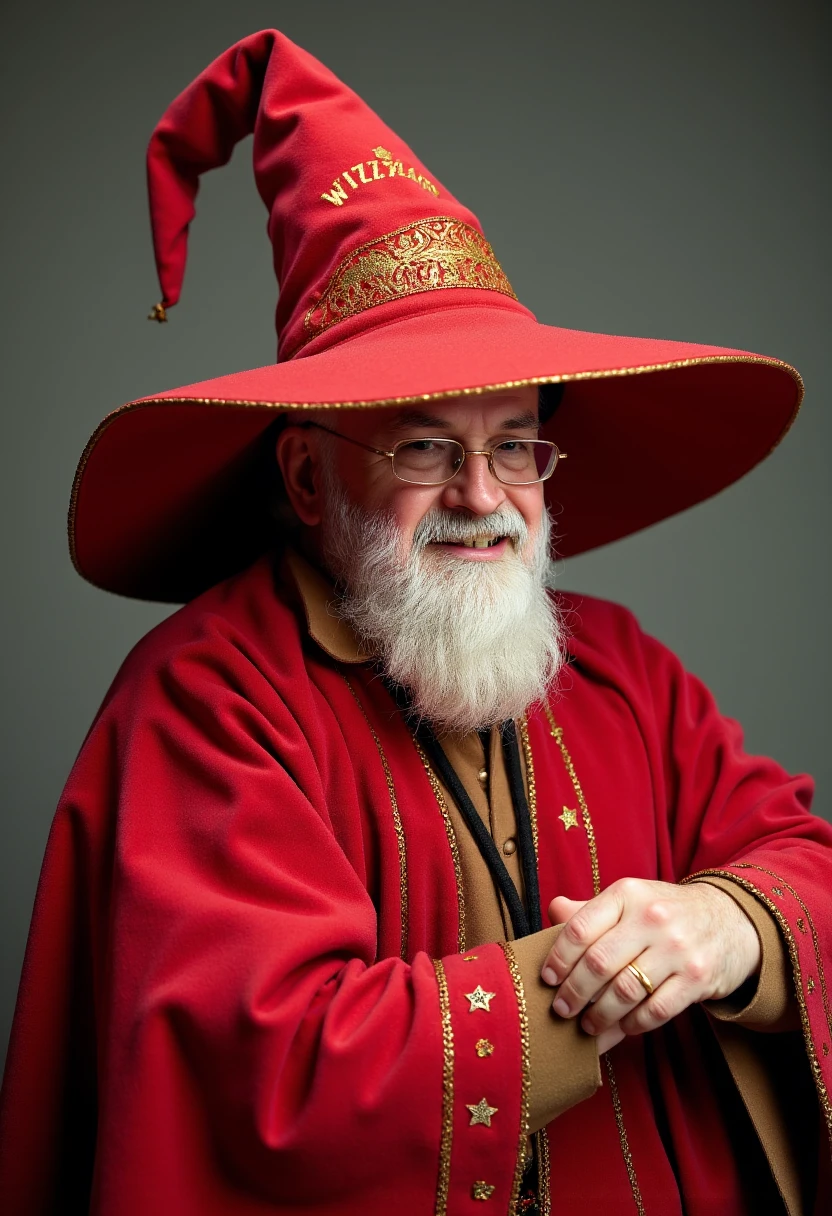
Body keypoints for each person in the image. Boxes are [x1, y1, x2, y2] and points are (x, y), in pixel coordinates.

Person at [1, 27, 829, 1216]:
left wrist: (720, 924)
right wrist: (601, 975)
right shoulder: (206, 696)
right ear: (303, 479)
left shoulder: (625, 667)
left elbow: (806, 866)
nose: (483, 498)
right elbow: (268, 1067)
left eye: (514, 446)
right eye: (427, 447)